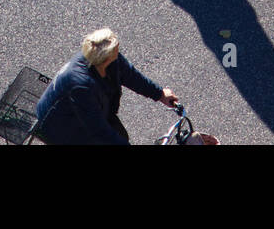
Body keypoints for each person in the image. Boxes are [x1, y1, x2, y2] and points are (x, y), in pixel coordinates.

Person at [33, 28, 178, 145]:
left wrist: (159, 94)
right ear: (107, 57)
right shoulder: (81, 85)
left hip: (88, 112)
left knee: (120, 136)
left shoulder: (107, 60)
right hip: (60, 125)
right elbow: (97, 129)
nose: (119, 50)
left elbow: (131, 76)